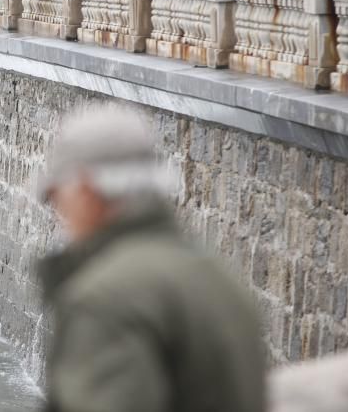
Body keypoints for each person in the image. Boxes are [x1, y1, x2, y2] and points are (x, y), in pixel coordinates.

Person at [38, 105, 266, 412]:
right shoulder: (217, 278)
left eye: (56, 195)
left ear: (85, 187)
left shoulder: (107, 300)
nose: (58, 211)